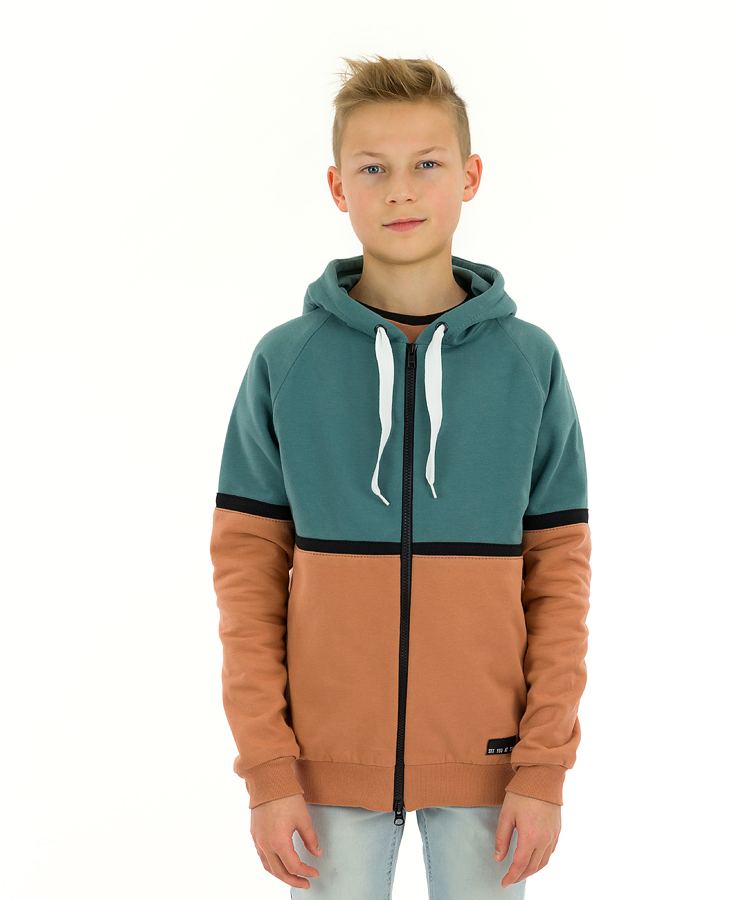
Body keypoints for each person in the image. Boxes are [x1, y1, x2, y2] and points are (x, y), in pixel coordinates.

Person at [209, 54, 592, 899]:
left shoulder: (529, 363)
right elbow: (247, 578)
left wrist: (542, 766)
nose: (401, 191)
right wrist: (269, 770)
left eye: (426, 164)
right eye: (373, 169)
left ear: (471, 176)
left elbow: (559, 580)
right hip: (323, 765)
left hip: (492, 763)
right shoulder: (286, 362)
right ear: (337, 187)